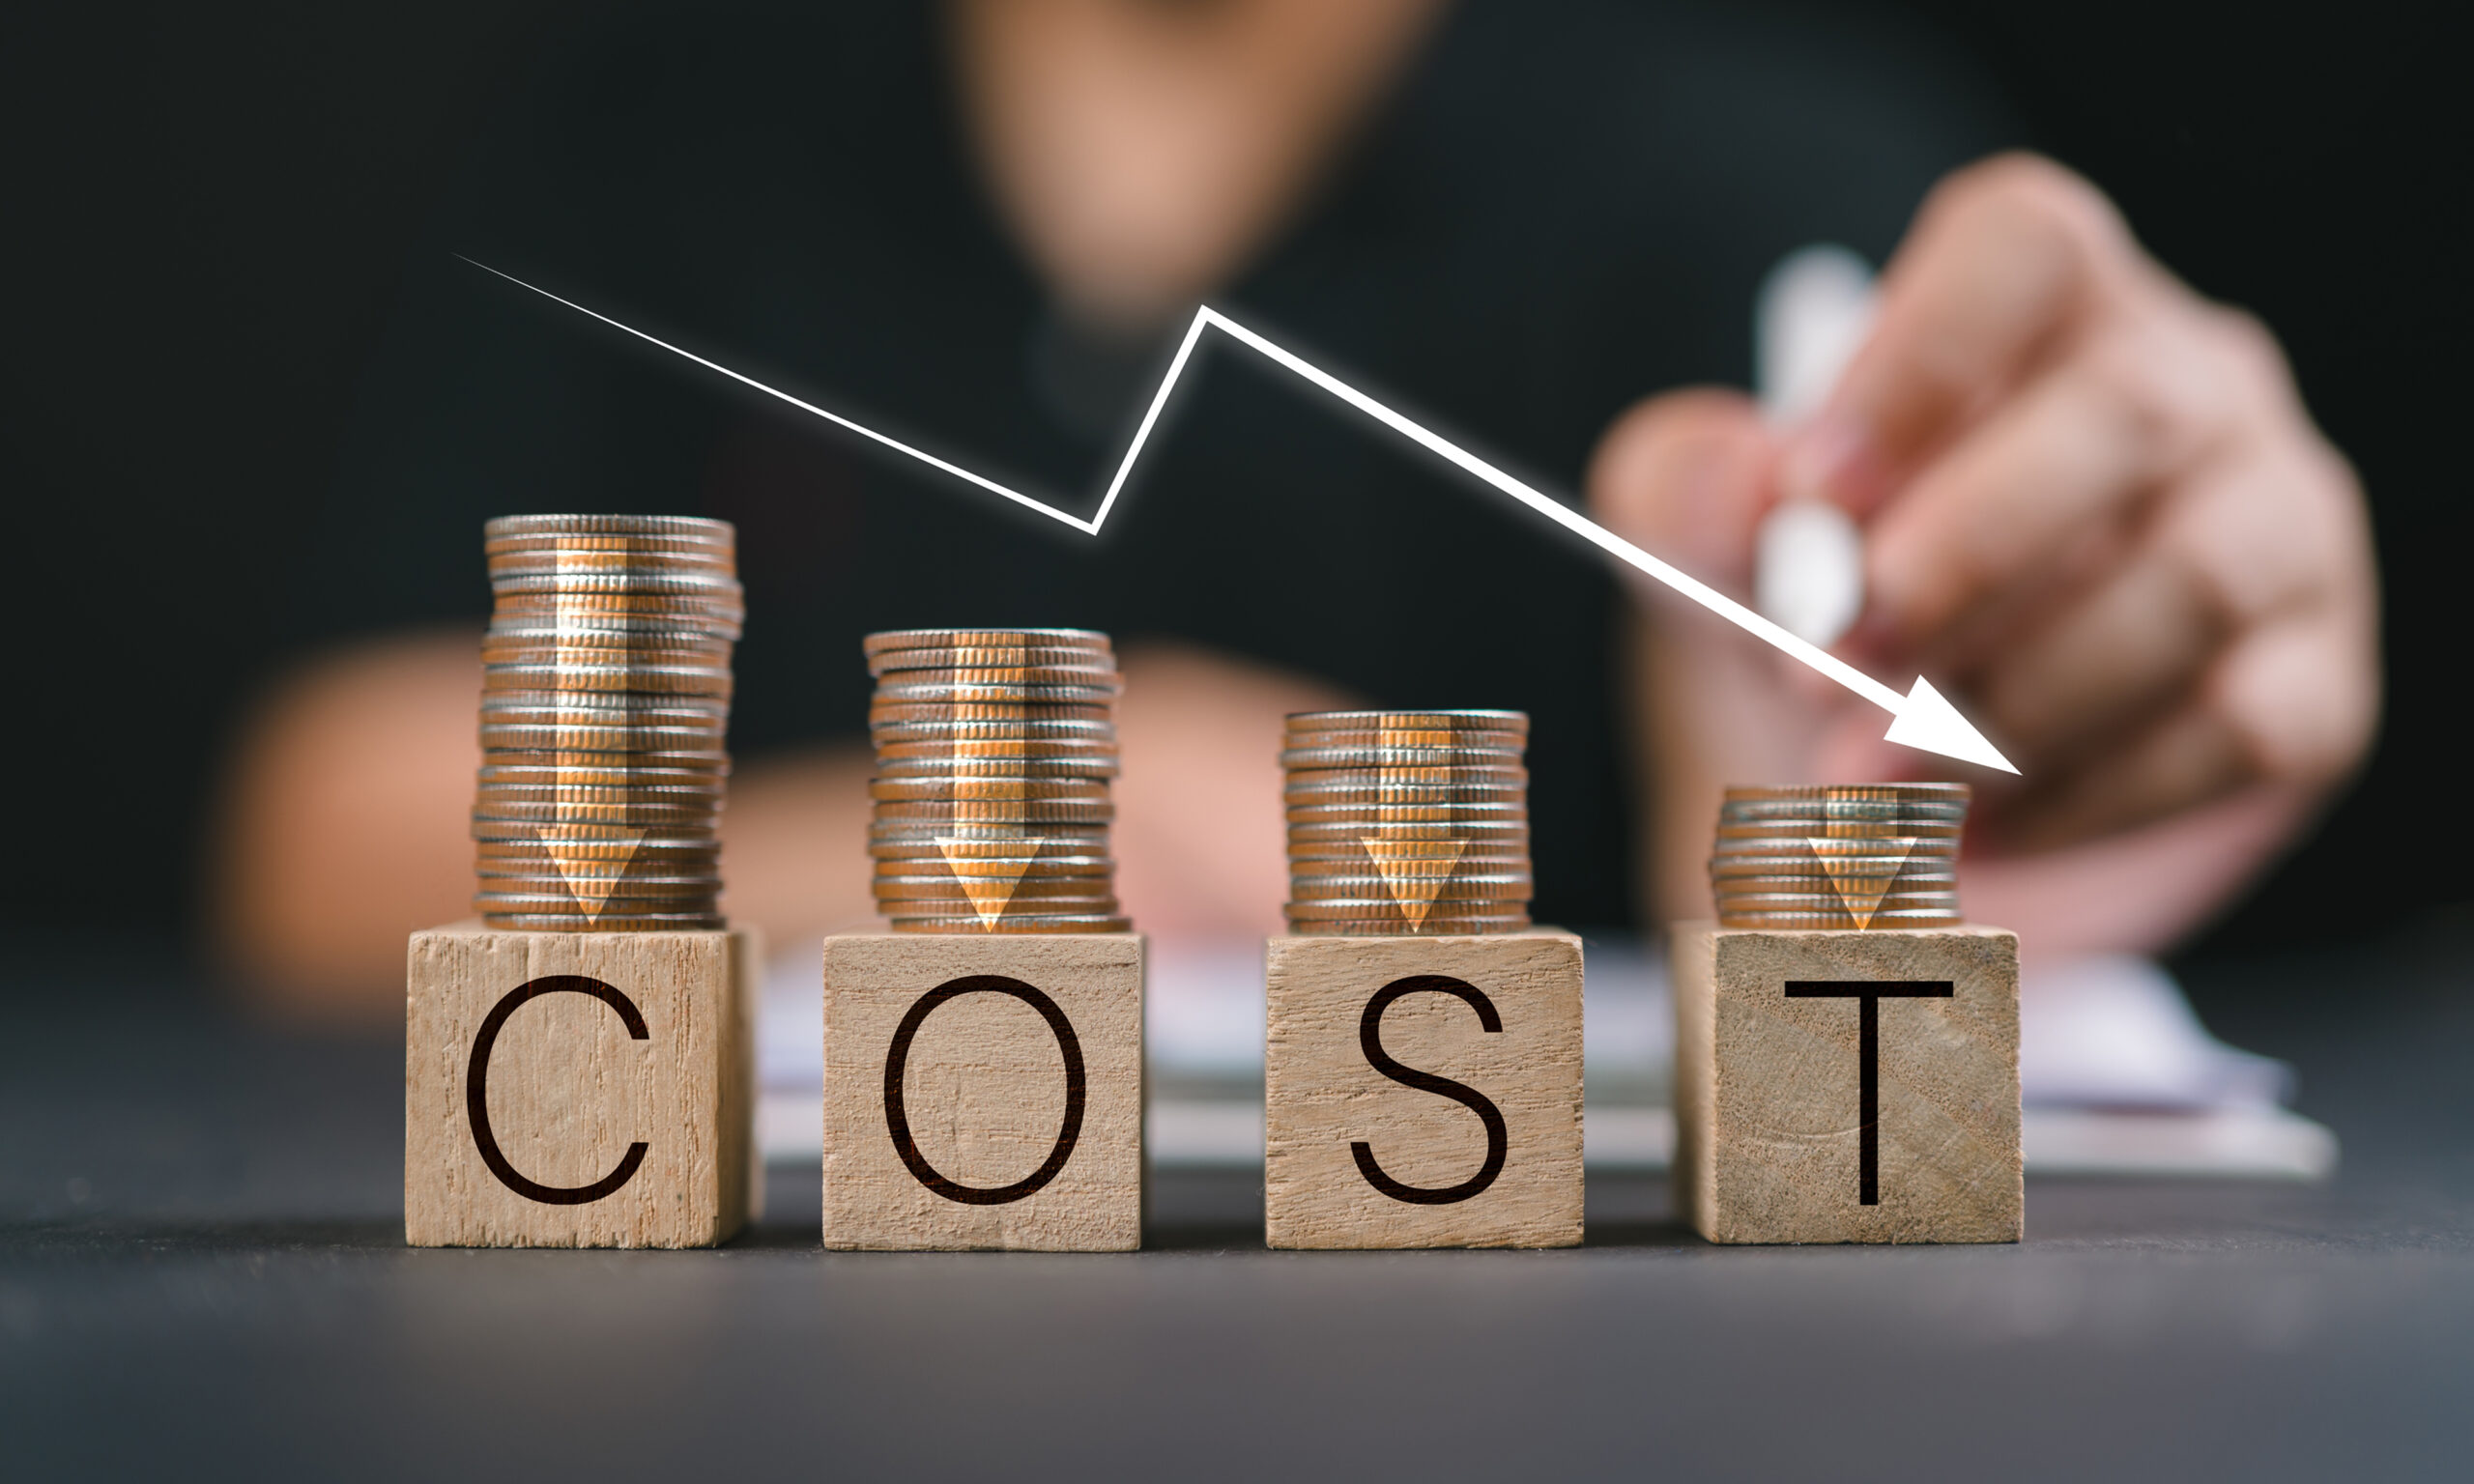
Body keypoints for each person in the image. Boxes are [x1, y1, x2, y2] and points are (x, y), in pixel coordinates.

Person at [214, 0, 2376, 1017]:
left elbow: (1945, 724)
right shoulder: (662, 129)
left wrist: (2145, 629)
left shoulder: (1765, 161)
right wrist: (1004, 824)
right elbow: (315, 824)